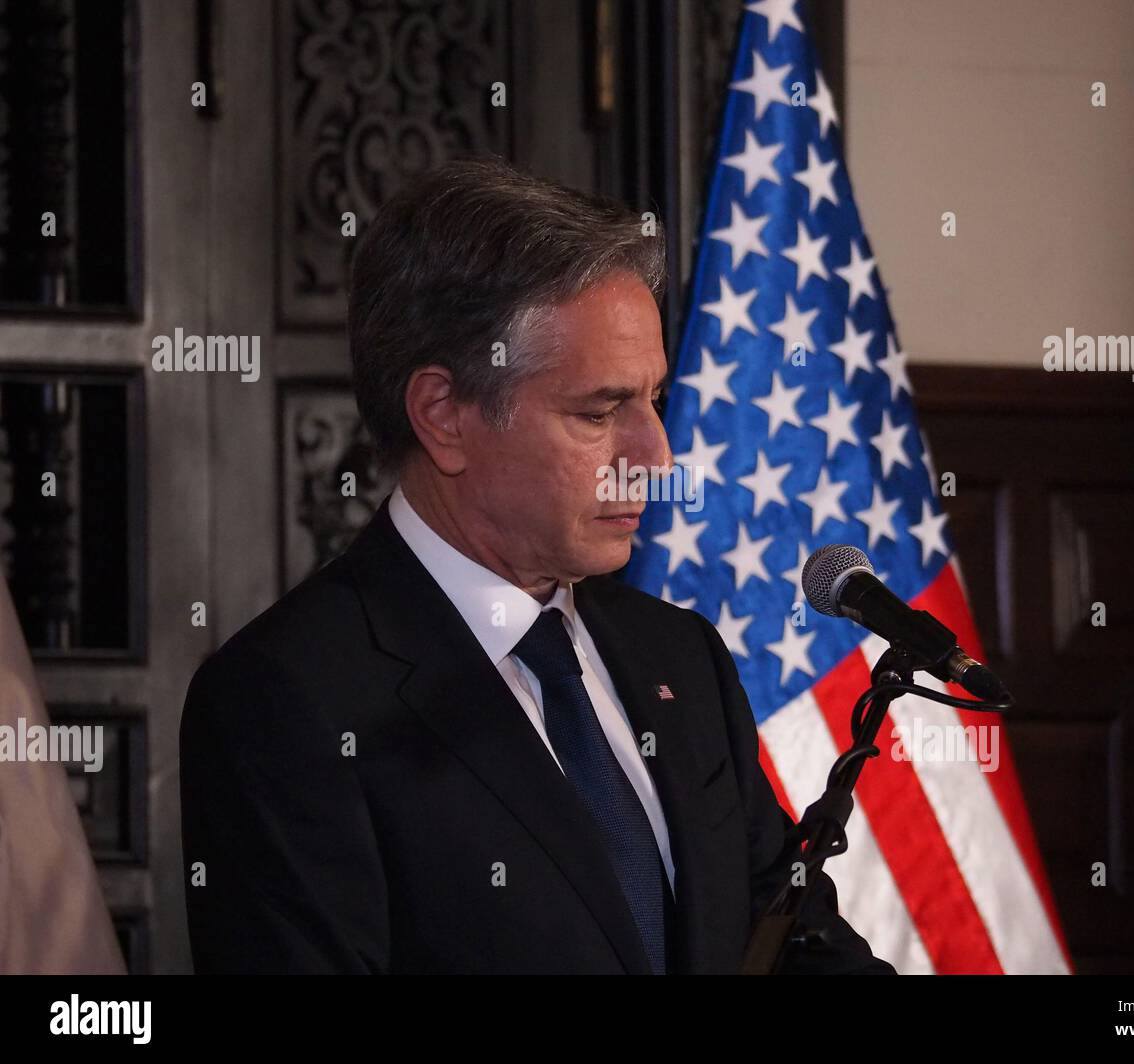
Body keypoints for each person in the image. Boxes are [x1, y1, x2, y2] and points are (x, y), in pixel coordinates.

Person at [180, 154, 896, 975]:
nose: (657, 459)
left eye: (653, 401)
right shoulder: (285, 701)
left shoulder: (681, 659)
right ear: (444, 415)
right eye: (601, 411)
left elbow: (789, 944)